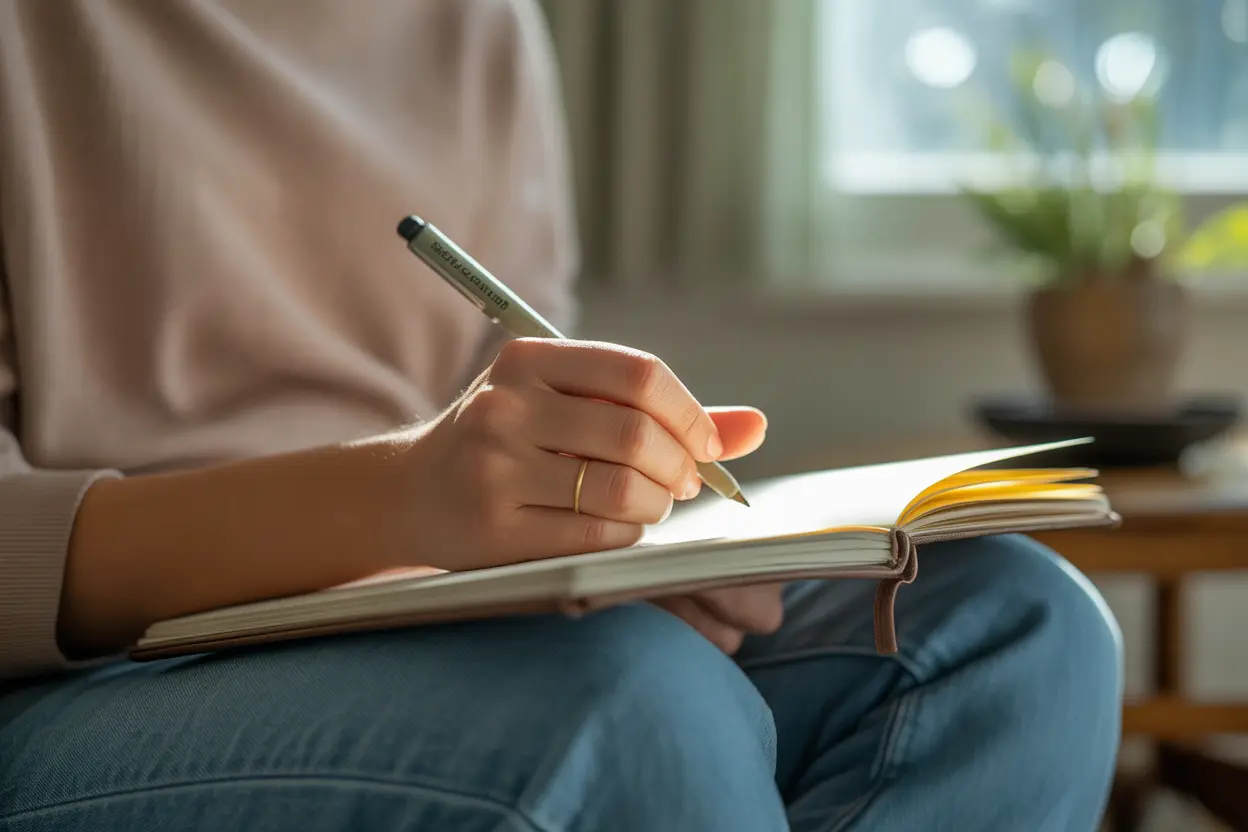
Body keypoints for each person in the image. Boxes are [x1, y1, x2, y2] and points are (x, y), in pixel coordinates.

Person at [0, 1, 1122, 829]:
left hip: (427, 613)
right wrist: (401, 497)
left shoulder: (478, 26)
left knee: (1020, 628)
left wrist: (607, 532)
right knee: (640, 709)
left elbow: (511, 388)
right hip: (89, 681)